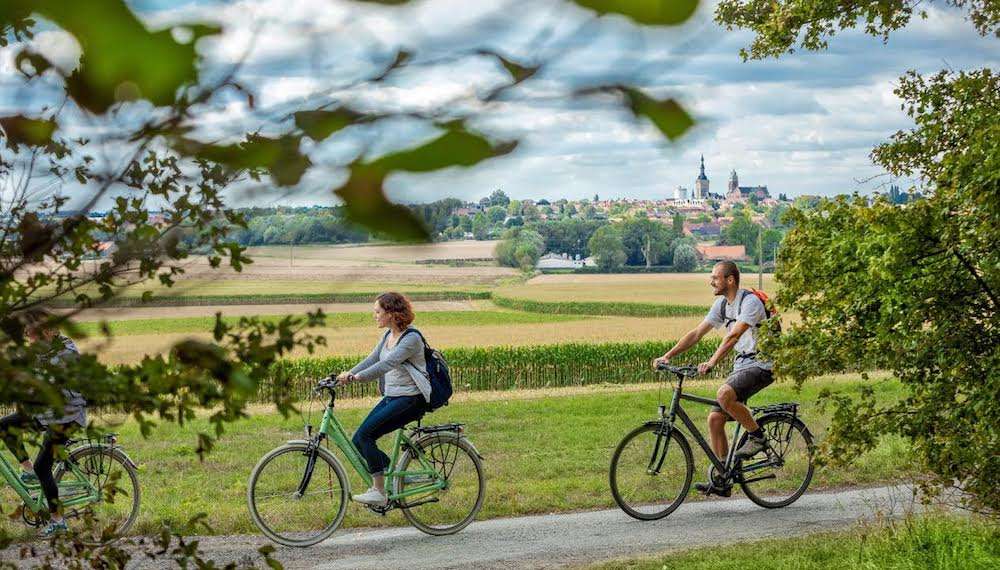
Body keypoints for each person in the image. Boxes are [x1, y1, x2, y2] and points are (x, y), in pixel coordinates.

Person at [652, 261, 774, 497]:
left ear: (730, 280)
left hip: (763, 363)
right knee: (715, 419)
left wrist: (712, 362)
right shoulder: (721, 305)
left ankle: (758, 437)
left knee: (724, 394)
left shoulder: (749, 302)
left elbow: (733, 336)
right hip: (743, 364)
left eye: (715, 278)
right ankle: (723, 478)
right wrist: (667, 356)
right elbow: (697, 333)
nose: (711, 282)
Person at [334, 292, 431, 506]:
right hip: (393, 397)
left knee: (366, 435)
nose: (374, 316)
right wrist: (345, 375)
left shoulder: (412, 338)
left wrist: (357, 378)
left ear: (391, 313)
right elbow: (372, 359)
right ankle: (396, 474)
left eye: (377, 312)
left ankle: (378, 491)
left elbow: (387, 364)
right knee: (359, 438)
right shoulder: (388, 336)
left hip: (410, 399)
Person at [0, 308, 86, 537]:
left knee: (43, 467)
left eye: (30, 332)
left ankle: (59, 521)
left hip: (67, 416)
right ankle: (27, 471)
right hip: (47, 412)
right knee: (4, 426)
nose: (27, 336)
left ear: (46, 331)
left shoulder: (64, 353)